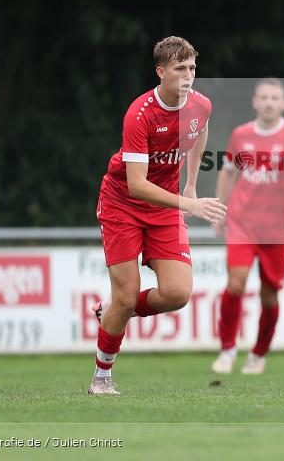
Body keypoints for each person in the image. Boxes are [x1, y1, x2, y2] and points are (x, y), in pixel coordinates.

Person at [89, 36, 227, 395]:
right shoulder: (140, 114)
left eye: (192, 68)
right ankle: (101, 378)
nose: (188, 76)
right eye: (180, 69)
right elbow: (135, 185)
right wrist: (190, 205)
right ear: (161, 71)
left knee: (178, 292)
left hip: (165, 206)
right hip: (123, 205)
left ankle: (115, 309)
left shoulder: (201, 105)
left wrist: (192, 185)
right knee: (127, 292)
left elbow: (200, 133)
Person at [211, 77, 284, 375]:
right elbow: (227, 173)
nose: (269, 102)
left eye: (275, 98)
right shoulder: (240, 135)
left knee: (269, 294)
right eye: (264, 97)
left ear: (283, 103)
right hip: (242, 224)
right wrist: (221, 210)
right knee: (235, 283)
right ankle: (227, 350)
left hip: (276, 231)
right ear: (254, 101)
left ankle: (258, 353)